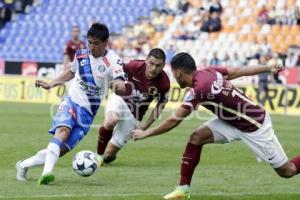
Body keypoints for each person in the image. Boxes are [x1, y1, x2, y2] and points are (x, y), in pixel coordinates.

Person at [132, 52, 300, 199]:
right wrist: (267, 68)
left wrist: (146, 133)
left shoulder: (199, 90)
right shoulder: (208, 71)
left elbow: (174, 120)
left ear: (178, 72)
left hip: (254, 125)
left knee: (287, 171)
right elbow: (238, 71)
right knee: (196, 137)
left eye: (174, 74)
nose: (174, 77)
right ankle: (183, 190)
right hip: (231, 121)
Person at [15, 23, 126, 185]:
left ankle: (23, 165)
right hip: (72, 101)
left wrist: (119, 86)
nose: (92, 46)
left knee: (59, 150)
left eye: (96, 43)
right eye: (90, 42)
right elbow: (71, 72)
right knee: (63, 130)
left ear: (106, 42)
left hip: (87, 114)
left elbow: (120, 82)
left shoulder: (114, 61)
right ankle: (47, 174)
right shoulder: (81, 55)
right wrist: (51, 84)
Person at [97, 48, 170, 165]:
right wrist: (113, 82)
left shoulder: (164, 83)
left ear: (163, 65)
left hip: (135, 115)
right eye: (151, 64)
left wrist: (145, 126)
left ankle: (108, 155)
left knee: (108, 156)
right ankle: (97, 156)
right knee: (111, 121)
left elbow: (160, 105)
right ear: (146, 60)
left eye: (158, 65)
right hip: (120, 99)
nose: (154, 68)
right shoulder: (134, 66)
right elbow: (114, 69)